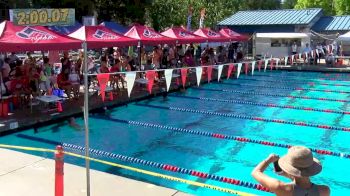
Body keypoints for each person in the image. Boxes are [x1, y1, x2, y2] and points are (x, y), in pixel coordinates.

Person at [252, 146, 330, 196]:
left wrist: (269, 160)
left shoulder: (280, 187)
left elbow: (255, 172)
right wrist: (288, 175)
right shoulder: (324, 191)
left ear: (289, 169)